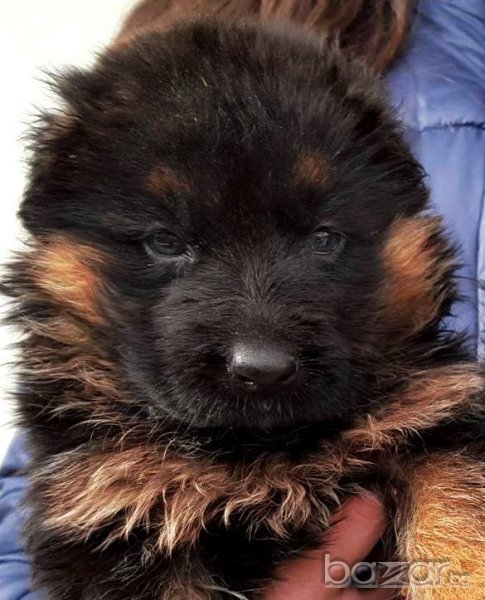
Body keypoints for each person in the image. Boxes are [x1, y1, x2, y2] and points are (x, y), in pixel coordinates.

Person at [0, 0, 483, 598]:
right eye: (165, 242)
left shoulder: (421, 400)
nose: (261, 352)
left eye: (324, 239)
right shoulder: (92, 435)